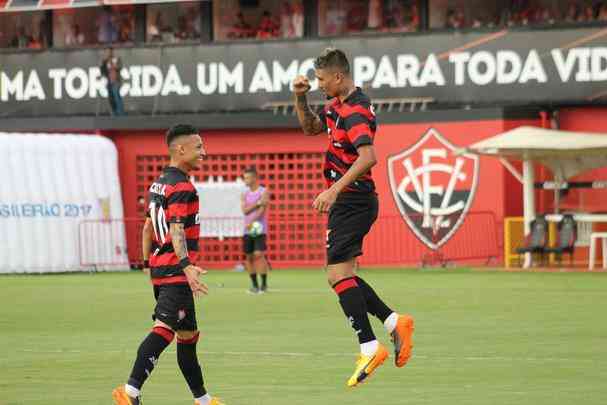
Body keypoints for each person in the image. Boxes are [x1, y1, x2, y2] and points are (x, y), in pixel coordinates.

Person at [292, 48, 414, 388]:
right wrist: (299, 98)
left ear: (338, 77)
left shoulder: (356, 110)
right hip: (350, 200)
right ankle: (393, 322)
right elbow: (311, 128)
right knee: (342, 276)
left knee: (337, 275)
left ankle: (370, 345)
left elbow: (368, 157)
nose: (317, 85)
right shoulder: (336, 106)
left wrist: (334, 191)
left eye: (320, 80)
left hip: (353, 199)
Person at [112, 124, 225, 405]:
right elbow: (176, 229)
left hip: (162, 268)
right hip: (175, 269)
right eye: (199, 147)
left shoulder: (159, 182)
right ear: (180, 149)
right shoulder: (182, 186)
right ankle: (129, 392)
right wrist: (186, 264)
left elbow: (148, 228)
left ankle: (203, 399)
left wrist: (148, 262)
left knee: (188, 335)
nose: (204, 153)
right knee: (164, 329)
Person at [241, 167, 270, 294]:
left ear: (254, 178)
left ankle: (263, 284)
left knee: (259, 254)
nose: (245, 180)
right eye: (244, 177)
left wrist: (252, 221)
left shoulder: (264, 191)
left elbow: (262, 210)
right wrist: (258, 203)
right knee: (249, 257)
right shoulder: (244, 193)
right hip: (247, 230)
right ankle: (254, 285)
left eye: (247, 177)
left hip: (259, 228)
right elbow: (244, 210)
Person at [100, 47, 125, 116]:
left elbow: (119, 67)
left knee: (117, 96)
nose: (109, 53)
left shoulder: (116, 59)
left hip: (116, 80)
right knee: (111, 98)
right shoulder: (105, 61)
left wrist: (113, 65)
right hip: (109, 81)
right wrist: (102, 65)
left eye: (110, 52)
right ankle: (114, 112)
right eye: (107, 52)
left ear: (112, 52)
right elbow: (103, 71)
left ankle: (121, 112)